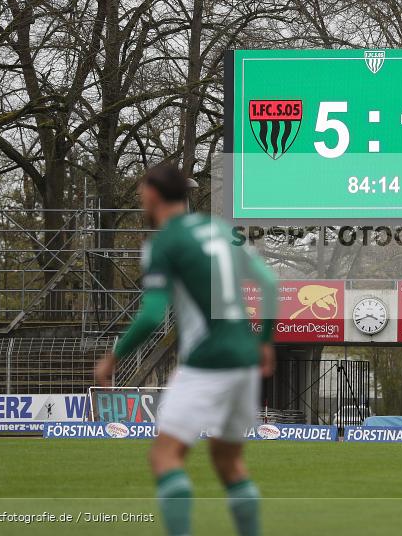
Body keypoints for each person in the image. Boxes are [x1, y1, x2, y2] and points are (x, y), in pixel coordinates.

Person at [94, 163, 277, 536]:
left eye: (143, 190)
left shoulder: (163, 243)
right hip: (244, 358)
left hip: (206, 361)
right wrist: (265, 343)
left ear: (155, 195)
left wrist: (113, 356)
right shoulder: (222, 231)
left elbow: (150, 317)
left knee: (165, 456)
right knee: (230, 464)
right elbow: (271, 285)